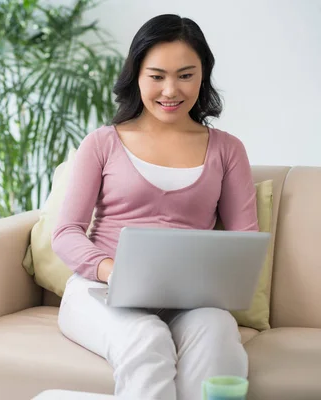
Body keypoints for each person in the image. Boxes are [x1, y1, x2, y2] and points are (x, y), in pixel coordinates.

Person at [51, 14, 258, 400]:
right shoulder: (102, 143)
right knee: (146, 339)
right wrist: (113, 271)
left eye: (185, 75)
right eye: (157, 75)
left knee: (218, 335)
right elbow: (65, 233)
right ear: (137, 75)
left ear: (203, 76)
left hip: (190, 301)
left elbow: (245, 241)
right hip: (101, 292)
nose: (170, 90)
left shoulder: (228, 150)